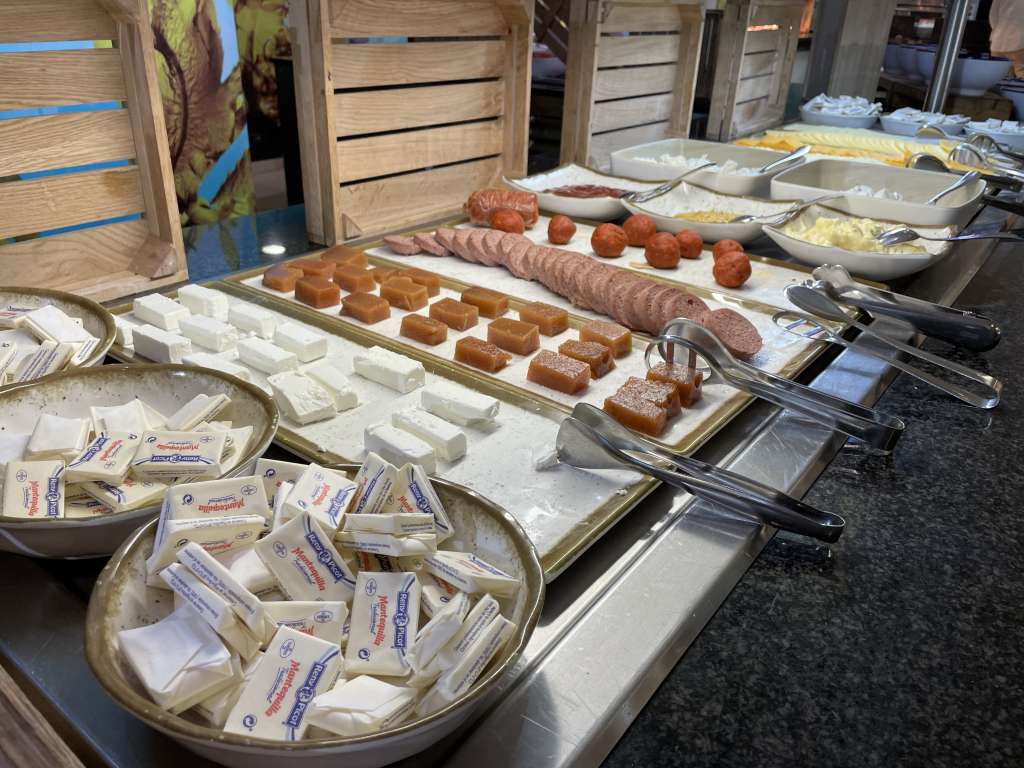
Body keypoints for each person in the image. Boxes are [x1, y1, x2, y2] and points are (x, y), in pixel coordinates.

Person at [990, 0, 1024, 79]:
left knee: (999, 78)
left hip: (998, 43)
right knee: (1021, 75)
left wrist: (999, 31)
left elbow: (993, 16)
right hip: (1020, 42)